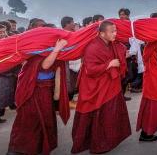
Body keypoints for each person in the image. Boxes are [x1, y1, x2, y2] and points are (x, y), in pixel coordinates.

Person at [71, 21, 131, 153]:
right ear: (102, 33)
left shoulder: (110, 43)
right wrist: (109, 64)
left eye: (116, 31)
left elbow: (119, 49)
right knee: (99, 113)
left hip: (109, 84)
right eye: (112, 31)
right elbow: (91, 69)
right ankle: (98, 144)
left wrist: (121, 55)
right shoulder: (93, 47)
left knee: (109, 113)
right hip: (95, 85)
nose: (115, 34)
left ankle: (109, 140)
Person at [8, 39, 69, 155]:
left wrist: (57, 93)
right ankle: (20, 148)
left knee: (45, 118)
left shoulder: (56, 55)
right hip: (33, 91)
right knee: (30, 119)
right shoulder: (36, 56)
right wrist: (56, 49)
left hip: (46, 90)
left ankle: (41, 146)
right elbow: (45, 65)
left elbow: (58, 73)